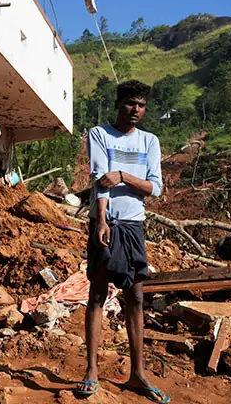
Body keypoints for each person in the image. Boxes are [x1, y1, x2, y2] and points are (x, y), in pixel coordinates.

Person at [77, 80, 170, 403]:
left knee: (136, 297)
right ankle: (91, 370)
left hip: (134, 225)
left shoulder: (150, 141)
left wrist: (123, 177)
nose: (136, 110)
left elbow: (154, 188)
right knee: (98, 292)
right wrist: (101, 221)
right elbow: (100, 182)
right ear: (119, 103)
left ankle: (137, 373)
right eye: (131, 103)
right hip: (107, 222)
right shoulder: (99, 134)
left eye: (141, 105)